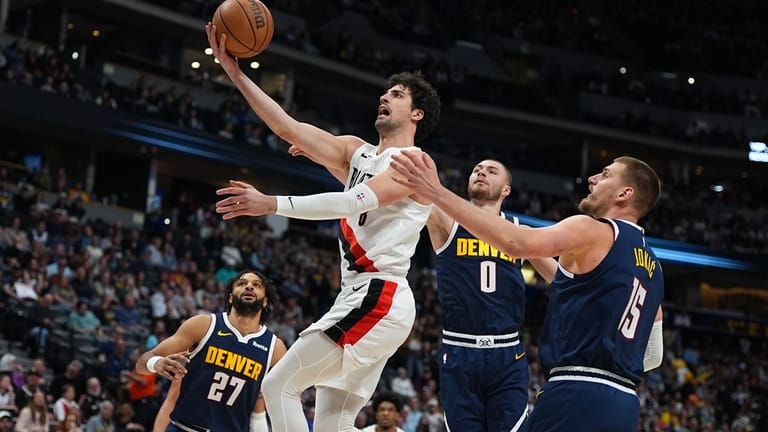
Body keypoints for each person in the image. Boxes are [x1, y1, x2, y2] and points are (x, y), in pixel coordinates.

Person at [207, 20, 441, 432]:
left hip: (380, 295)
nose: (384, 96)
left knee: (278, 386)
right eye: (385, 91)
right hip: (361, 295)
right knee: (333, 423)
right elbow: (286, 127)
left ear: (417, 113)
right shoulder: (357, 152)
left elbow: (353, 201)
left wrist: (271, 203)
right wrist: (235, 74)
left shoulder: (414, 162)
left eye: (397, 94)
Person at [391, 153, 665, 431]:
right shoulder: (654, 268)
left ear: (624, 194)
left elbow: (517, 242)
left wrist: (436, 190)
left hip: (575, 389)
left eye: (605, 174)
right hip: (625, 404)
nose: (592, 179)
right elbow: (654, 355)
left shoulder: (591, 229)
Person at [426, 159, 556, 431]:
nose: (481, 172)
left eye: (491, 171)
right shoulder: (445, 219)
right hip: (459, 349)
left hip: (506, 353)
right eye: (476, 170)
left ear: (506, 190)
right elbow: (411, 193)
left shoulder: (520, 233)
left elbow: (562, 281)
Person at [136, 270, 286, 432]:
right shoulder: (203, 326)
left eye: (256, 285)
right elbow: (141, 364)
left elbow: (262, 404)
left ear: (265, 301)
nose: (249, 286)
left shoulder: (275, 349)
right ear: (230, 297)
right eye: (242, 283)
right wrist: (156, 363)